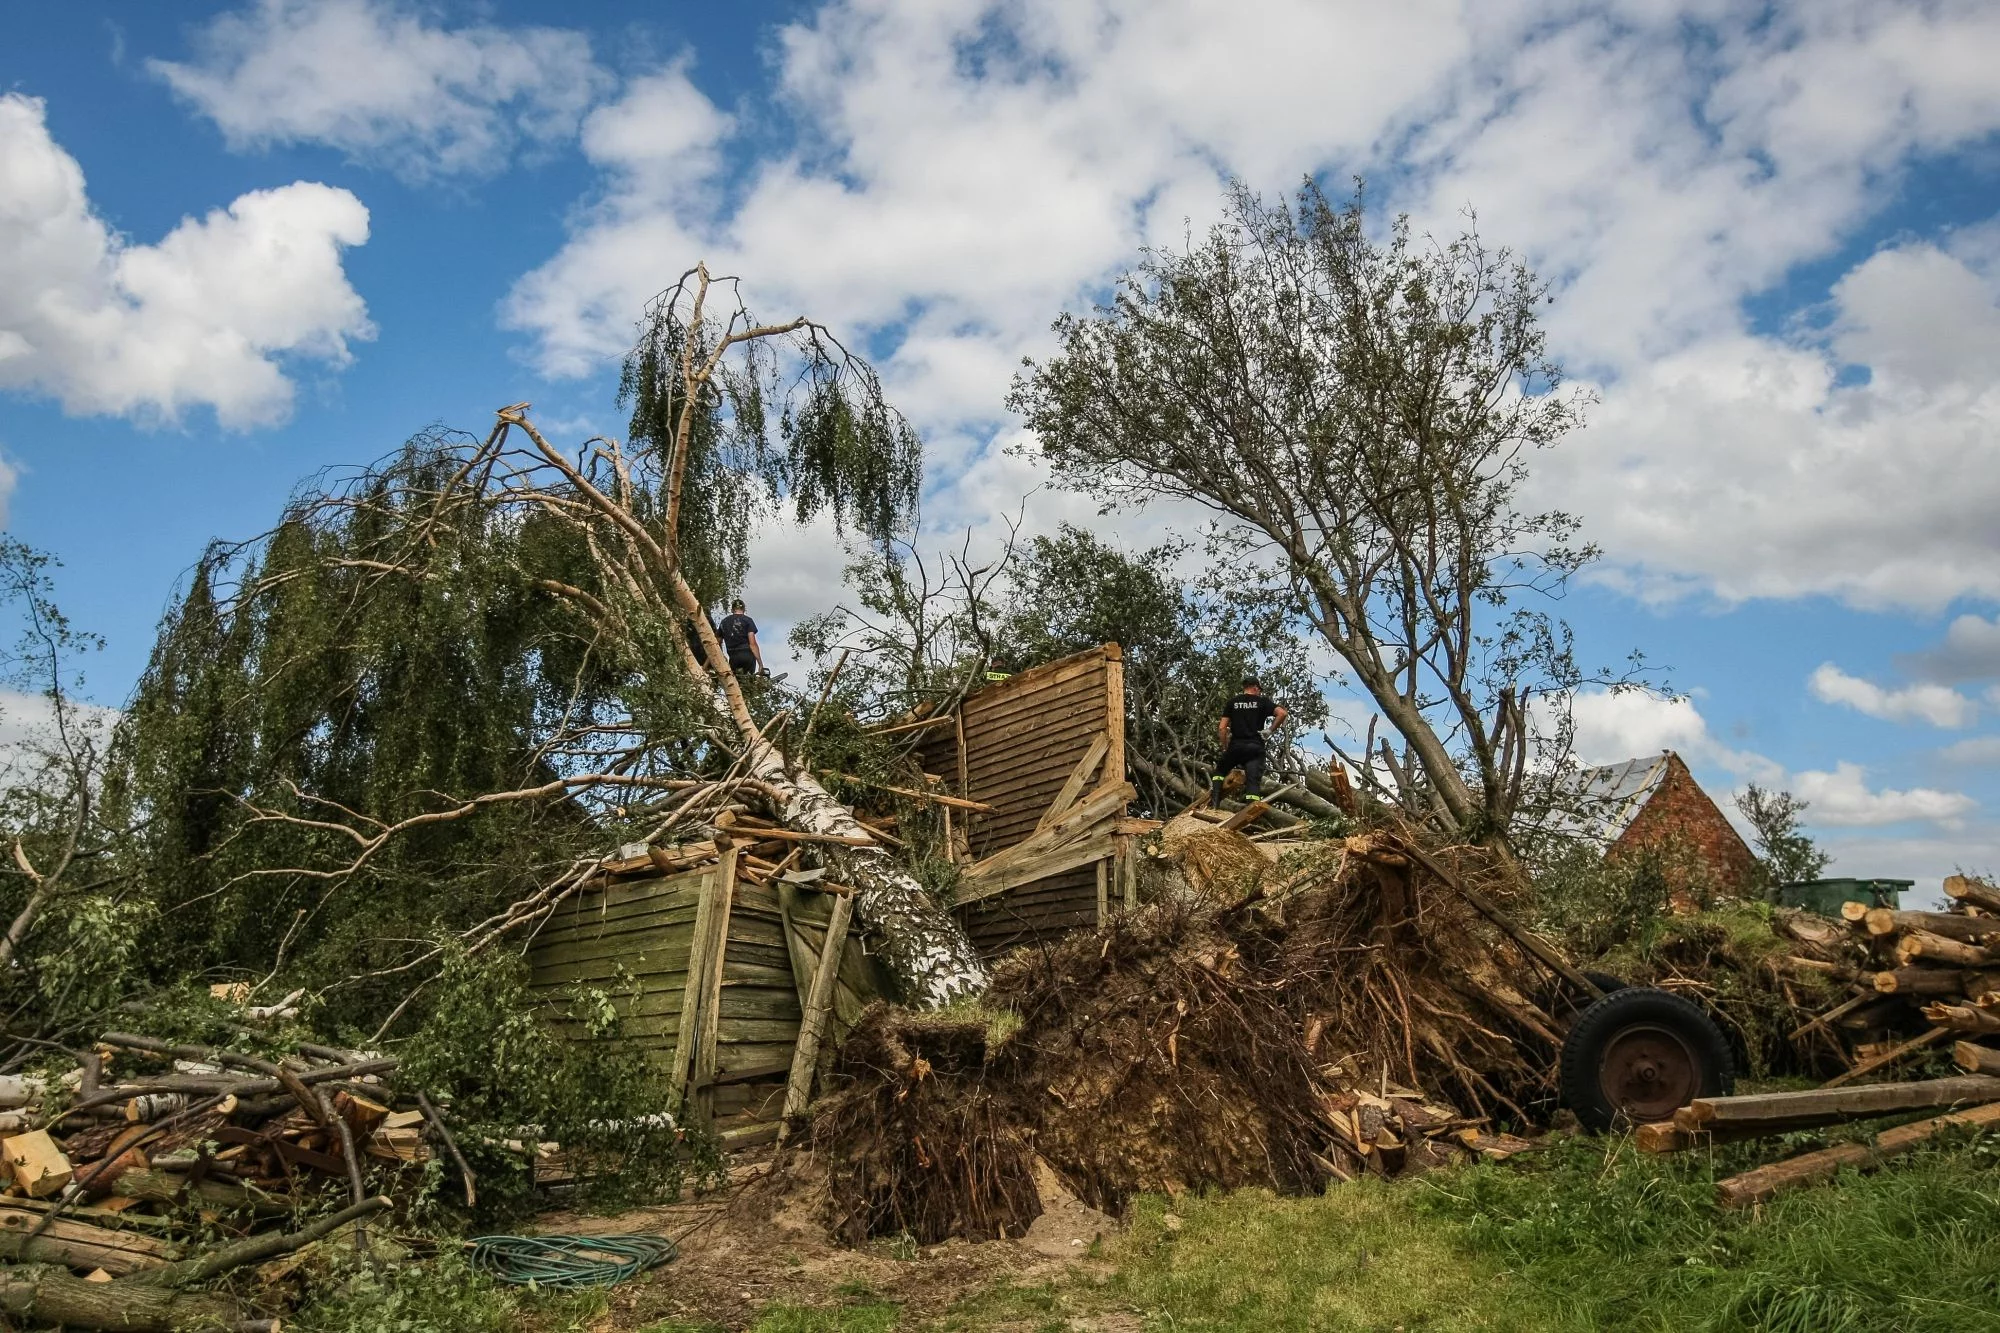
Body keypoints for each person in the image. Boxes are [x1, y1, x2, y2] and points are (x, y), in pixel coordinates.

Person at [1211, 677, 1286, 807]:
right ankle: (1252, 813)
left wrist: (1224, 747)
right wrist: (1270, 730)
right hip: (1255, 748)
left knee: (1219, 772)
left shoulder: (1232, 702)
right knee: (1253, 781)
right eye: (1259, 690)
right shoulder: (1262, 702)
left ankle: (1214, 804)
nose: (1259, 693)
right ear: (1255, 687)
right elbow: (1282, 713)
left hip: (1236, 746)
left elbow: (1222, 728)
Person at [716, 598, 765, 676]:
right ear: (744, 609)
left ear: (732, 610)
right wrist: (760, 664)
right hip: (747, 655)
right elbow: (753, 644)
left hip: (733, 656)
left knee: (737, 682)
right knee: (748, 681)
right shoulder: (748, 620)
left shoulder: (724, 622)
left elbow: (717, 644)